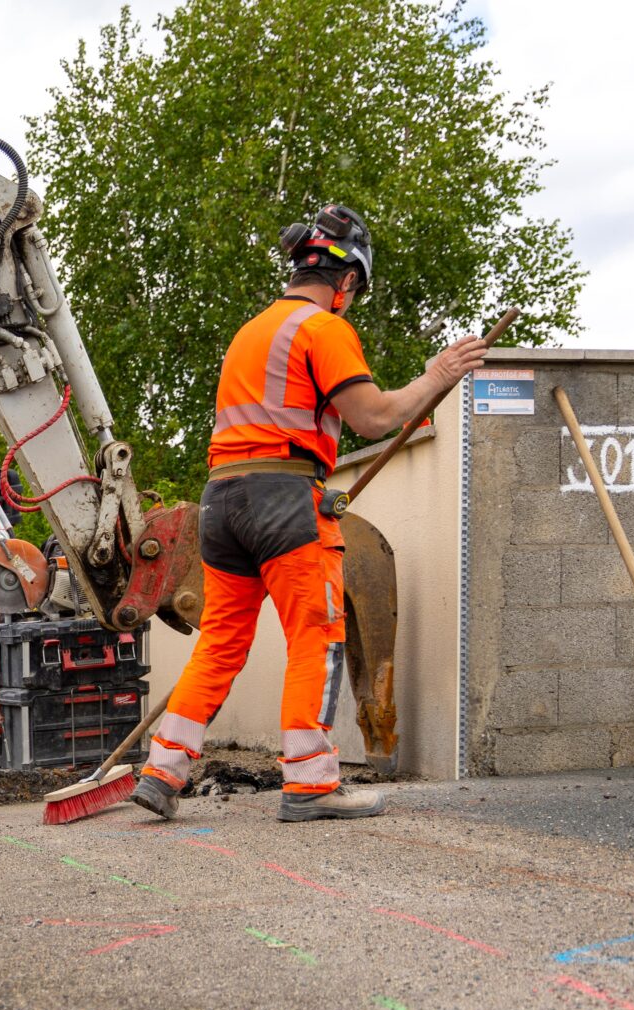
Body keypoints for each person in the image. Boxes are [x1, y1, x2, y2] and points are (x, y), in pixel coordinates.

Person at [131, 204, 487, 823]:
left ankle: (163, 772)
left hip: (222, 500)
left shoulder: (250, 332)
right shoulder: (322, 329)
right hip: (283, 501)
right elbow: (375, 417)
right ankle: (312, 783)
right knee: (316, 636)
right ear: (346, 281)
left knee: (219, 642)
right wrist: (437, 374)